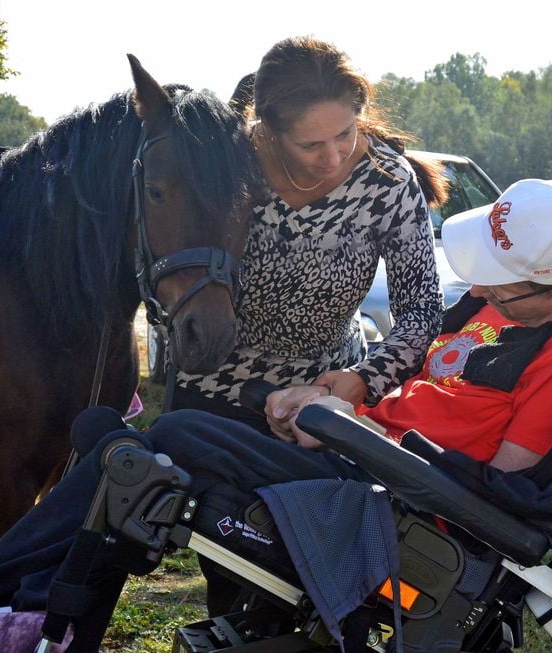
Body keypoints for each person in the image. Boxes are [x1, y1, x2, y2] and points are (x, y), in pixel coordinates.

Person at [0, 179, 552, 653]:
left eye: (500, 285)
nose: (479, 290)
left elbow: (505, 484)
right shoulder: (509, 308)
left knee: (143, 455)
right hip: (359, 454)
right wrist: (336, 394)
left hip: (391, 498)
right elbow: (422, 379)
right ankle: (6, 617)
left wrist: (367, 435)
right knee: (112, 440)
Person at [166, 36, 446, 431]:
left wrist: (363, 380)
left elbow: (422, 310)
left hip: (322, 402)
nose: (333, 158)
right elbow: (171, 270)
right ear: (269, 126)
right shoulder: (226, 171)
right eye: (310, 144)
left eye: (345, 133)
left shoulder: (388, 183)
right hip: (210, 391)